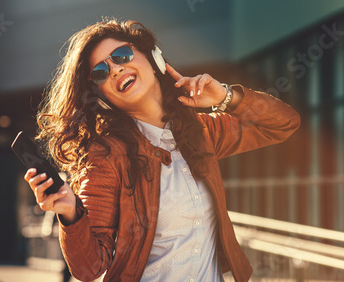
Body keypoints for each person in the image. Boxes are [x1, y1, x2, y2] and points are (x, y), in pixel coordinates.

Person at [24, 19, 300, 281]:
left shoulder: (200, 132)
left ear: (153, 57)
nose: (115, 69)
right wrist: (70, 213)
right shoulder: (105, 156)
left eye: (121, 56)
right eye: (100, 72)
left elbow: (283, 123)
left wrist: (224, 97)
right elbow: (89, 268)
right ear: (102, 95)